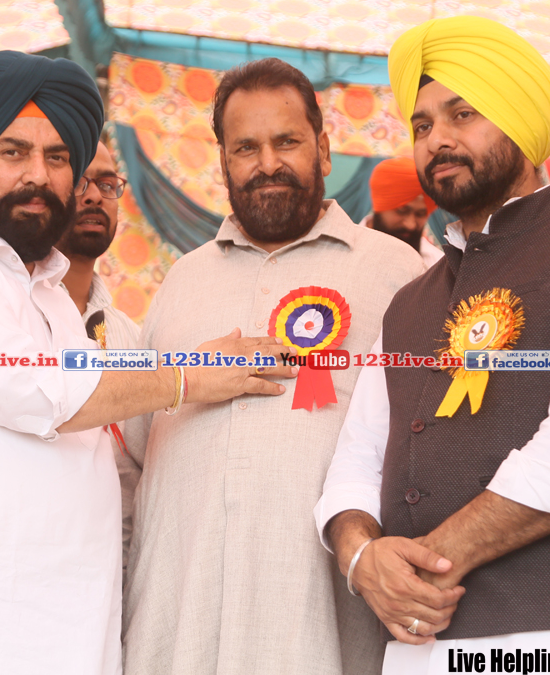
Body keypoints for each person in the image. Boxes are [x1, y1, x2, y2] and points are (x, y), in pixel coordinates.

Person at [0, 51, 294, 675]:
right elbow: (33, 391)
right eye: (13, 152)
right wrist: (190, 376)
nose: (39, 175)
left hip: (56, 635)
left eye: (58, 157)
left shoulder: (56, 302)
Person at [316, 16, 550, 673]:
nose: (438, 139)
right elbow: (356, 461)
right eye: (422, 125)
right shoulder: (410, 302)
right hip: (417, 650)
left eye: (463, 114)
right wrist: (360, 557)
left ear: (520, 120)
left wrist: (423, 568)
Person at [122, 58, 424, 675]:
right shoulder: (181, 282)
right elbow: (133, 455)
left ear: (323, 148)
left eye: (286, 142)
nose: (267, 164)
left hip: (322, 623)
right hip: (180, 625)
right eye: (246, 148)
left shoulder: (397, 273)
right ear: (223, 161)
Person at [54, 138, 143, 577]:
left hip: (118, 578)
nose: (94, 196)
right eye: (79, 183)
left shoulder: (131, 335)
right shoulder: (14, 315)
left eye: (107, 184)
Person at [364, 156, 444, 266]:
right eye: (402, 211)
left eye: (420, 214)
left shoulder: (436, 264)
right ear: (379, 205)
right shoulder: (344, 250)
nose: (410, 225)